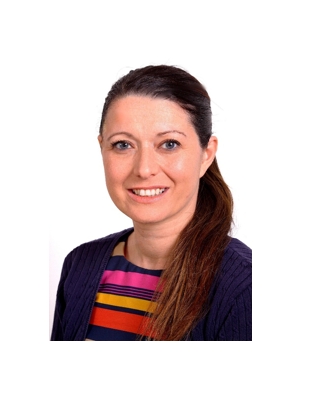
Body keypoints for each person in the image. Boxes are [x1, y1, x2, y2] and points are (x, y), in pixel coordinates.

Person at [51, 65, 251, 341]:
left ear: (207, 154)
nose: (144, 169)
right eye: (123, 145)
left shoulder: (245, 286)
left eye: (169, 144)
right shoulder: (79, 265)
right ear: (102, 148)